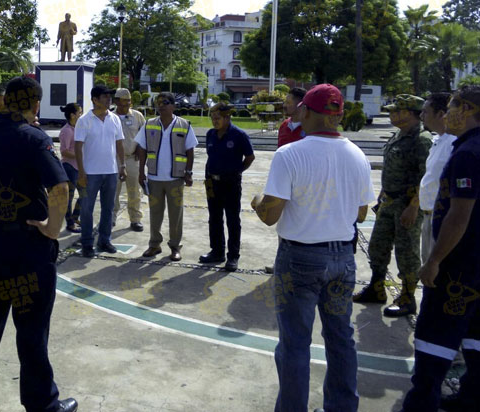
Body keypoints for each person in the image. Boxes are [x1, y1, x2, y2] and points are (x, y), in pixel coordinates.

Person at [251, 84, 374, 412]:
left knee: (295, 343)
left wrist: (256, 201)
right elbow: (361, 213)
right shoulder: (358, 155)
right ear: (339, 115)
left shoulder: (291, 154)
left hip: (301, 258)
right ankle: (342, 406)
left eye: (299, 108)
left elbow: (270, 215)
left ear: (306, 111)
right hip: (343, 258)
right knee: (340, 339)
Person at [0, 77, 78, 412]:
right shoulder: (34, 138)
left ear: (3, 100)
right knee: (31, 328)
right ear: (35, 104)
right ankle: (43, 404)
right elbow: (60, 187)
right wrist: (53, 229)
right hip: (27, 245)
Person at [401, 85, 480, 412]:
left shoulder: (466, 154)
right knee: (475, 334)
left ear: (466, 108)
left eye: (451, 106)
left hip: (458, 263)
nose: (446, 114)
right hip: (476, 263)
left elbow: (459, 215)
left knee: (434, 336)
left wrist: (434, 260)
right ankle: (471, 398)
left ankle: (421, 405)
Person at [353, 94, 432, 317]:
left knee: (406, 252)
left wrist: (414, 206)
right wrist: (381, 198)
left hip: (407, 204)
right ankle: (377, 288)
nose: (392, 114)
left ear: (410, 113)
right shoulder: (399, 135)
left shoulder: (421, 139)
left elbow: (424, 177)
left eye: (397, 111)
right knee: (377, 246)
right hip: (389, 202)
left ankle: (407, 296)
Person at [136, 91, 198, 262]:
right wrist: (141, 172)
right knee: (155, 214)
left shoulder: (184, 125)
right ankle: (154, 244)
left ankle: (175, 246)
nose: (161, 106)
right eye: (159, 103)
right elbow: (141, 149)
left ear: (173, 106)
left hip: (175, 179)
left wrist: (189, 173)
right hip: (155, 178)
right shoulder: (149, 125)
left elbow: (190, 150)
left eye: (165, 103)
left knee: (175, 215)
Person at [199, 102, 255, 272]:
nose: (214, 121)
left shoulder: (239, 135)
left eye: (217, 118)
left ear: (227, 117)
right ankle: (217, 251)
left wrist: (237, 171)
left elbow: (250, 157)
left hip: (231, 183)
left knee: (232, 219)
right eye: (212, 118)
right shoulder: (210, 134)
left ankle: (233, 257)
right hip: (211, 182)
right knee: (214, 218)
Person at [74, 85, 126, 257]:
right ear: (95, 100)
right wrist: (81, 172)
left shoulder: (115, 119)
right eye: (104, 96)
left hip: (111, 171)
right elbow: (78, 147)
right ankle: (87, 243)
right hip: (90, 173)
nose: (108, 99)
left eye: (109, 96)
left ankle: (105, 240)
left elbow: (119, 144)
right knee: (87, 209)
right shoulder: (84, 120)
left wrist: (122, 165)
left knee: (108, 208)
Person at [418, 93, 456, 264]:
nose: (421, 116)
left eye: (425, 112)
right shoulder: (438, 140)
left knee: (437, 271)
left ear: (441, 114)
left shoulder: (453, 143)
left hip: (443, 218)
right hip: (429, 216)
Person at [113, 88, 146, 232]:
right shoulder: (110, 116)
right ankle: (111, 218)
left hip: (132, 158)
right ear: (116, 101)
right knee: (113, 190)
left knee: (134, 190)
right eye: (123, 101)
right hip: (114, 159)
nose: (127, 104)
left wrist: (140, 147)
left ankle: (135, 219)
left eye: (128, 100)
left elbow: (144, 135)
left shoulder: (137, 116)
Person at [59, 102, 83, 233]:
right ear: (73, 115)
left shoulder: (78, 128)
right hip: (70, 167)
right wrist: (79, 155)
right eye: (79, 112)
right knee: (69, 197)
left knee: (85, 194)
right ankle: (70, 223)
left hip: (79, 167)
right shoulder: (66, 131)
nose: (81, 114)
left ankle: (75, 217)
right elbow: (64, 151)